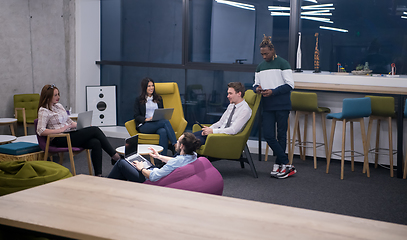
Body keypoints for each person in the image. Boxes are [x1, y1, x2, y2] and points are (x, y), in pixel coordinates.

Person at [36, 84, 121, 176]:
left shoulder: (59, 106)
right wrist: (60, 129)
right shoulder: (43, 110)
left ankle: (98, 175)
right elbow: (40, 131)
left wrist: (84, 126)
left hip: (69, 134)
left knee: (96, 142)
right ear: (48, 97)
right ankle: (114, 155)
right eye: (55, 95)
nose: (58, 97)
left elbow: (70, 122)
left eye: (58, 94)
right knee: (95, 130)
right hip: (59, 138)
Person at [253, 34, 296, 179]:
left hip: (282, 105)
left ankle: (279, 165)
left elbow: (290, 85)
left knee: (281, 135)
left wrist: (273, 91)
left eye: (266, 53)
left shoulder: (283, 63)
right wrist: (257, 89)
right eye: (262, 54)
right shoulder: (260, 67)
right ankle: (286, 163)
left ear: (272, 50)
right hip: (267, 105)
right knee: (269, 136)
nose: (264, 56)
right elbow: (255, 84)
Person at [107, 132, 201, 183]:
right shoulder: (193, 156)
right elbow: (176, 161)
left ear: (182, 146)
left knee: (121, 163)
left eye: (178, 141)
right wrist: (159, 156)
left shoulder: (177, 162)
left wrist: (141, 168)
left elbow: (153, 177)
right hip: (156, 172)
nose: (176, 141)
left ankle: (106, 185)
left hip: (150, 180)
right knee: (130, 164)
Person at [134, 78, 177, 156]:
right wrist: (147, 119)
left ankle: (161, 159)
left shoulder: (158, 98)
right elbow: (136, 116)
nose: (151, 88)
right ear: (145, 88)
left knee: (163, 131)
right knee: (165, 122)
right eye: (149, 86)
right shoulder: (139, 100)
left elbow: (162, 113)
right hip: (144, 125)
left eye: (152, 85)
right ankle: (176, 145)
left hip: (156, 124)